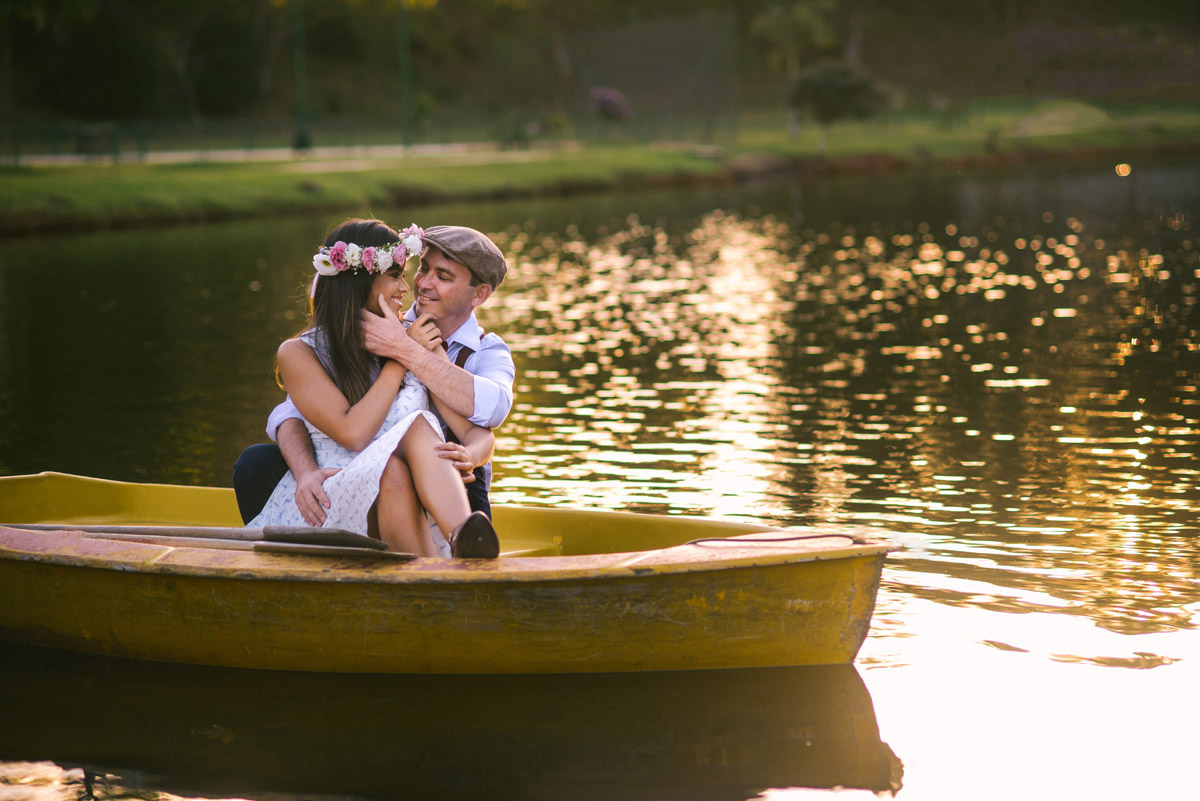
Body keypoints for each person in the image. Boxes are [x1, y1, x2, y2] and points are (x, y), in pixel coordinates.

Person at [233, 222, 515, 549]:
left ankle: (453, 549)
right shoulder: (392, 338)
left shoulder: (474, 349)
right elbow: (295, 416)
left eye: (444, 276)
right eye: (417, 270)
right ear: (363, 279)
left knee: (396, 464)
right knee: (257, 461)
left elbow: (488, 417)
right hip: (340, 484)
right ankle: (456, 539)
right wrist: (400, 353)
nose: (416, 285)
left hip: (439, 485)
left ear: (479, 294)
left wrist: (406, 349)